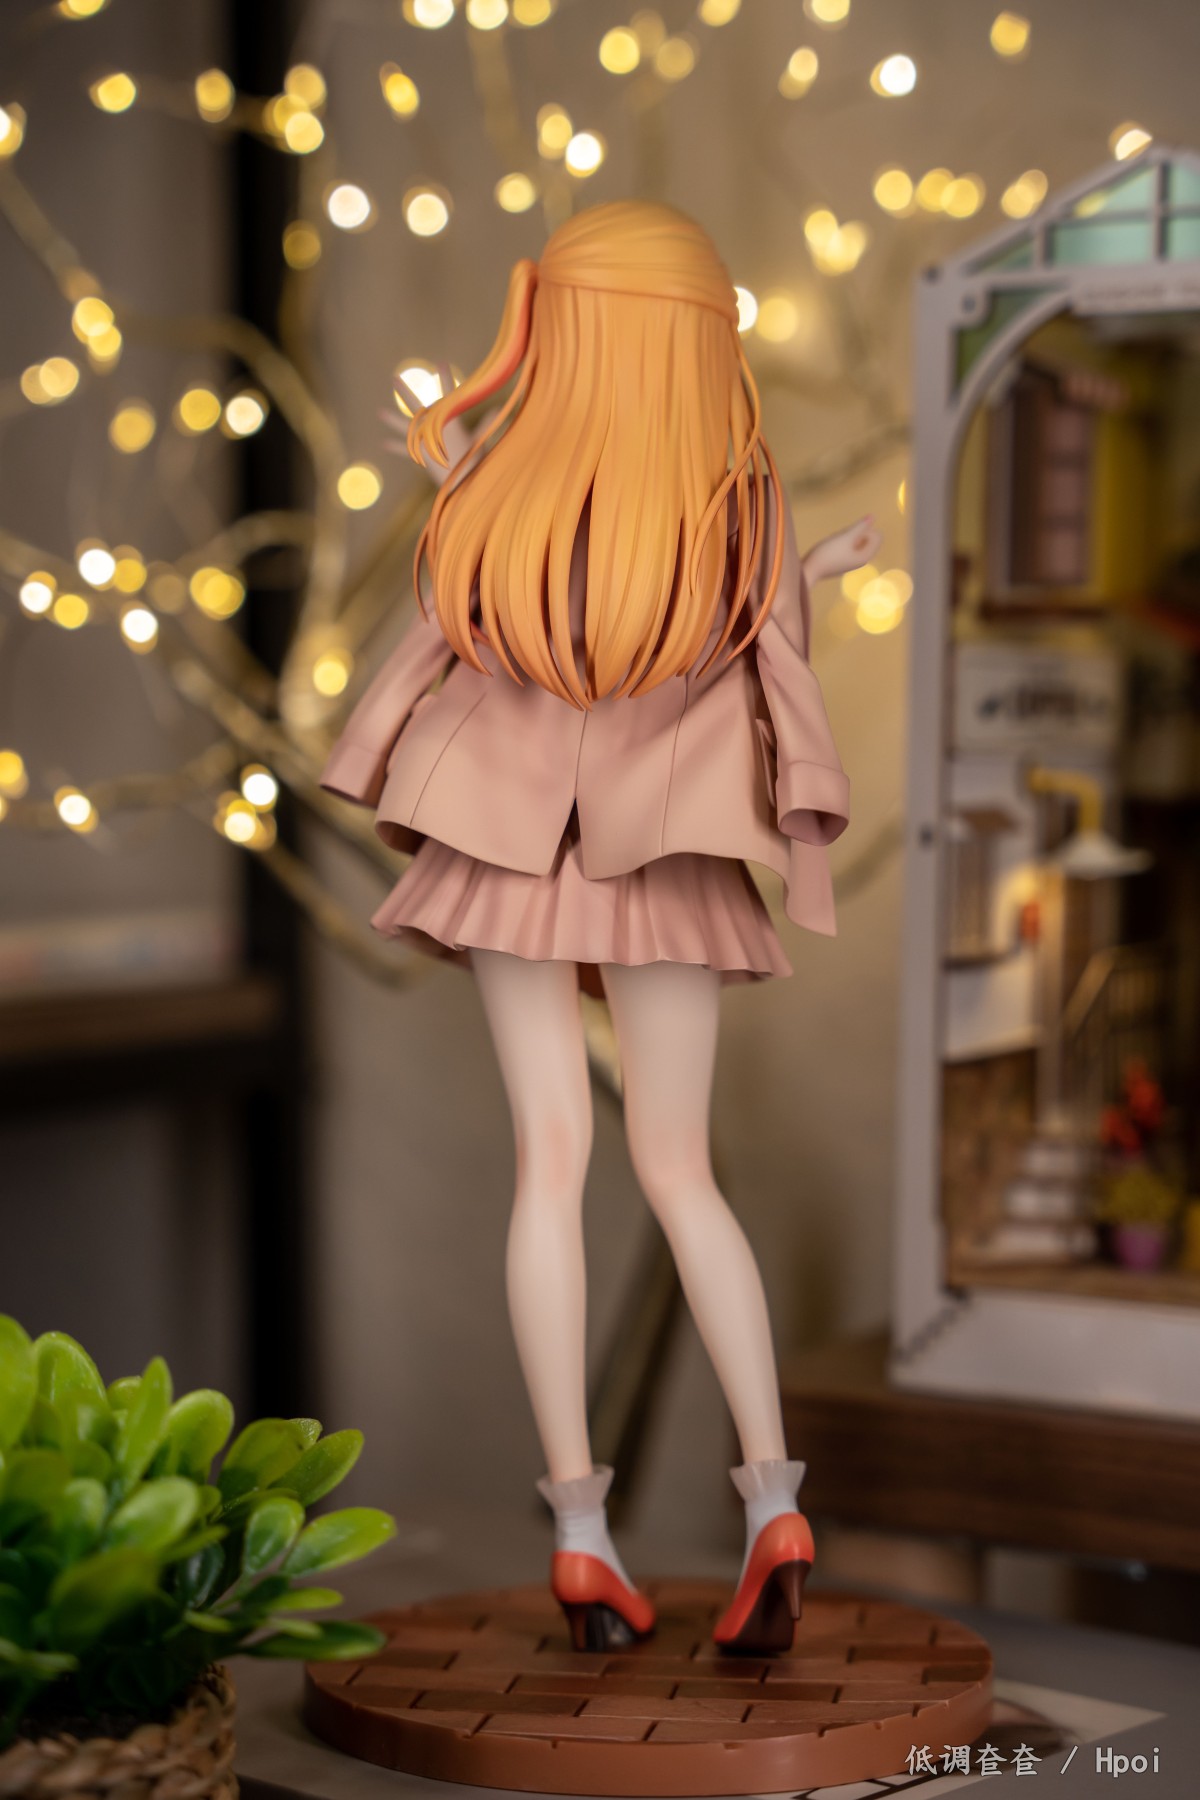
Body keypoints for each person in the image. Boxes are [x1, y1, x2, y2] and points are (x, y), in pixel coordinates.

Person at [321, 200, 880, 1654]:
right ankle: (776, 1503)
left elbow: (434, 649)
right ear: (697, 341)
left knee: (549, 1164)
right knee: (683, 1170)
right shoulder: (738, 495)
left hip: (511, 850)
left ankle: (579, 1534)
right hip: (670, 854)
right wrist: (809, 581)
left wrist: (454, 479)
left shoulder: (496, 495)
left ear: (556, 330)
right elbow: (767, 655)